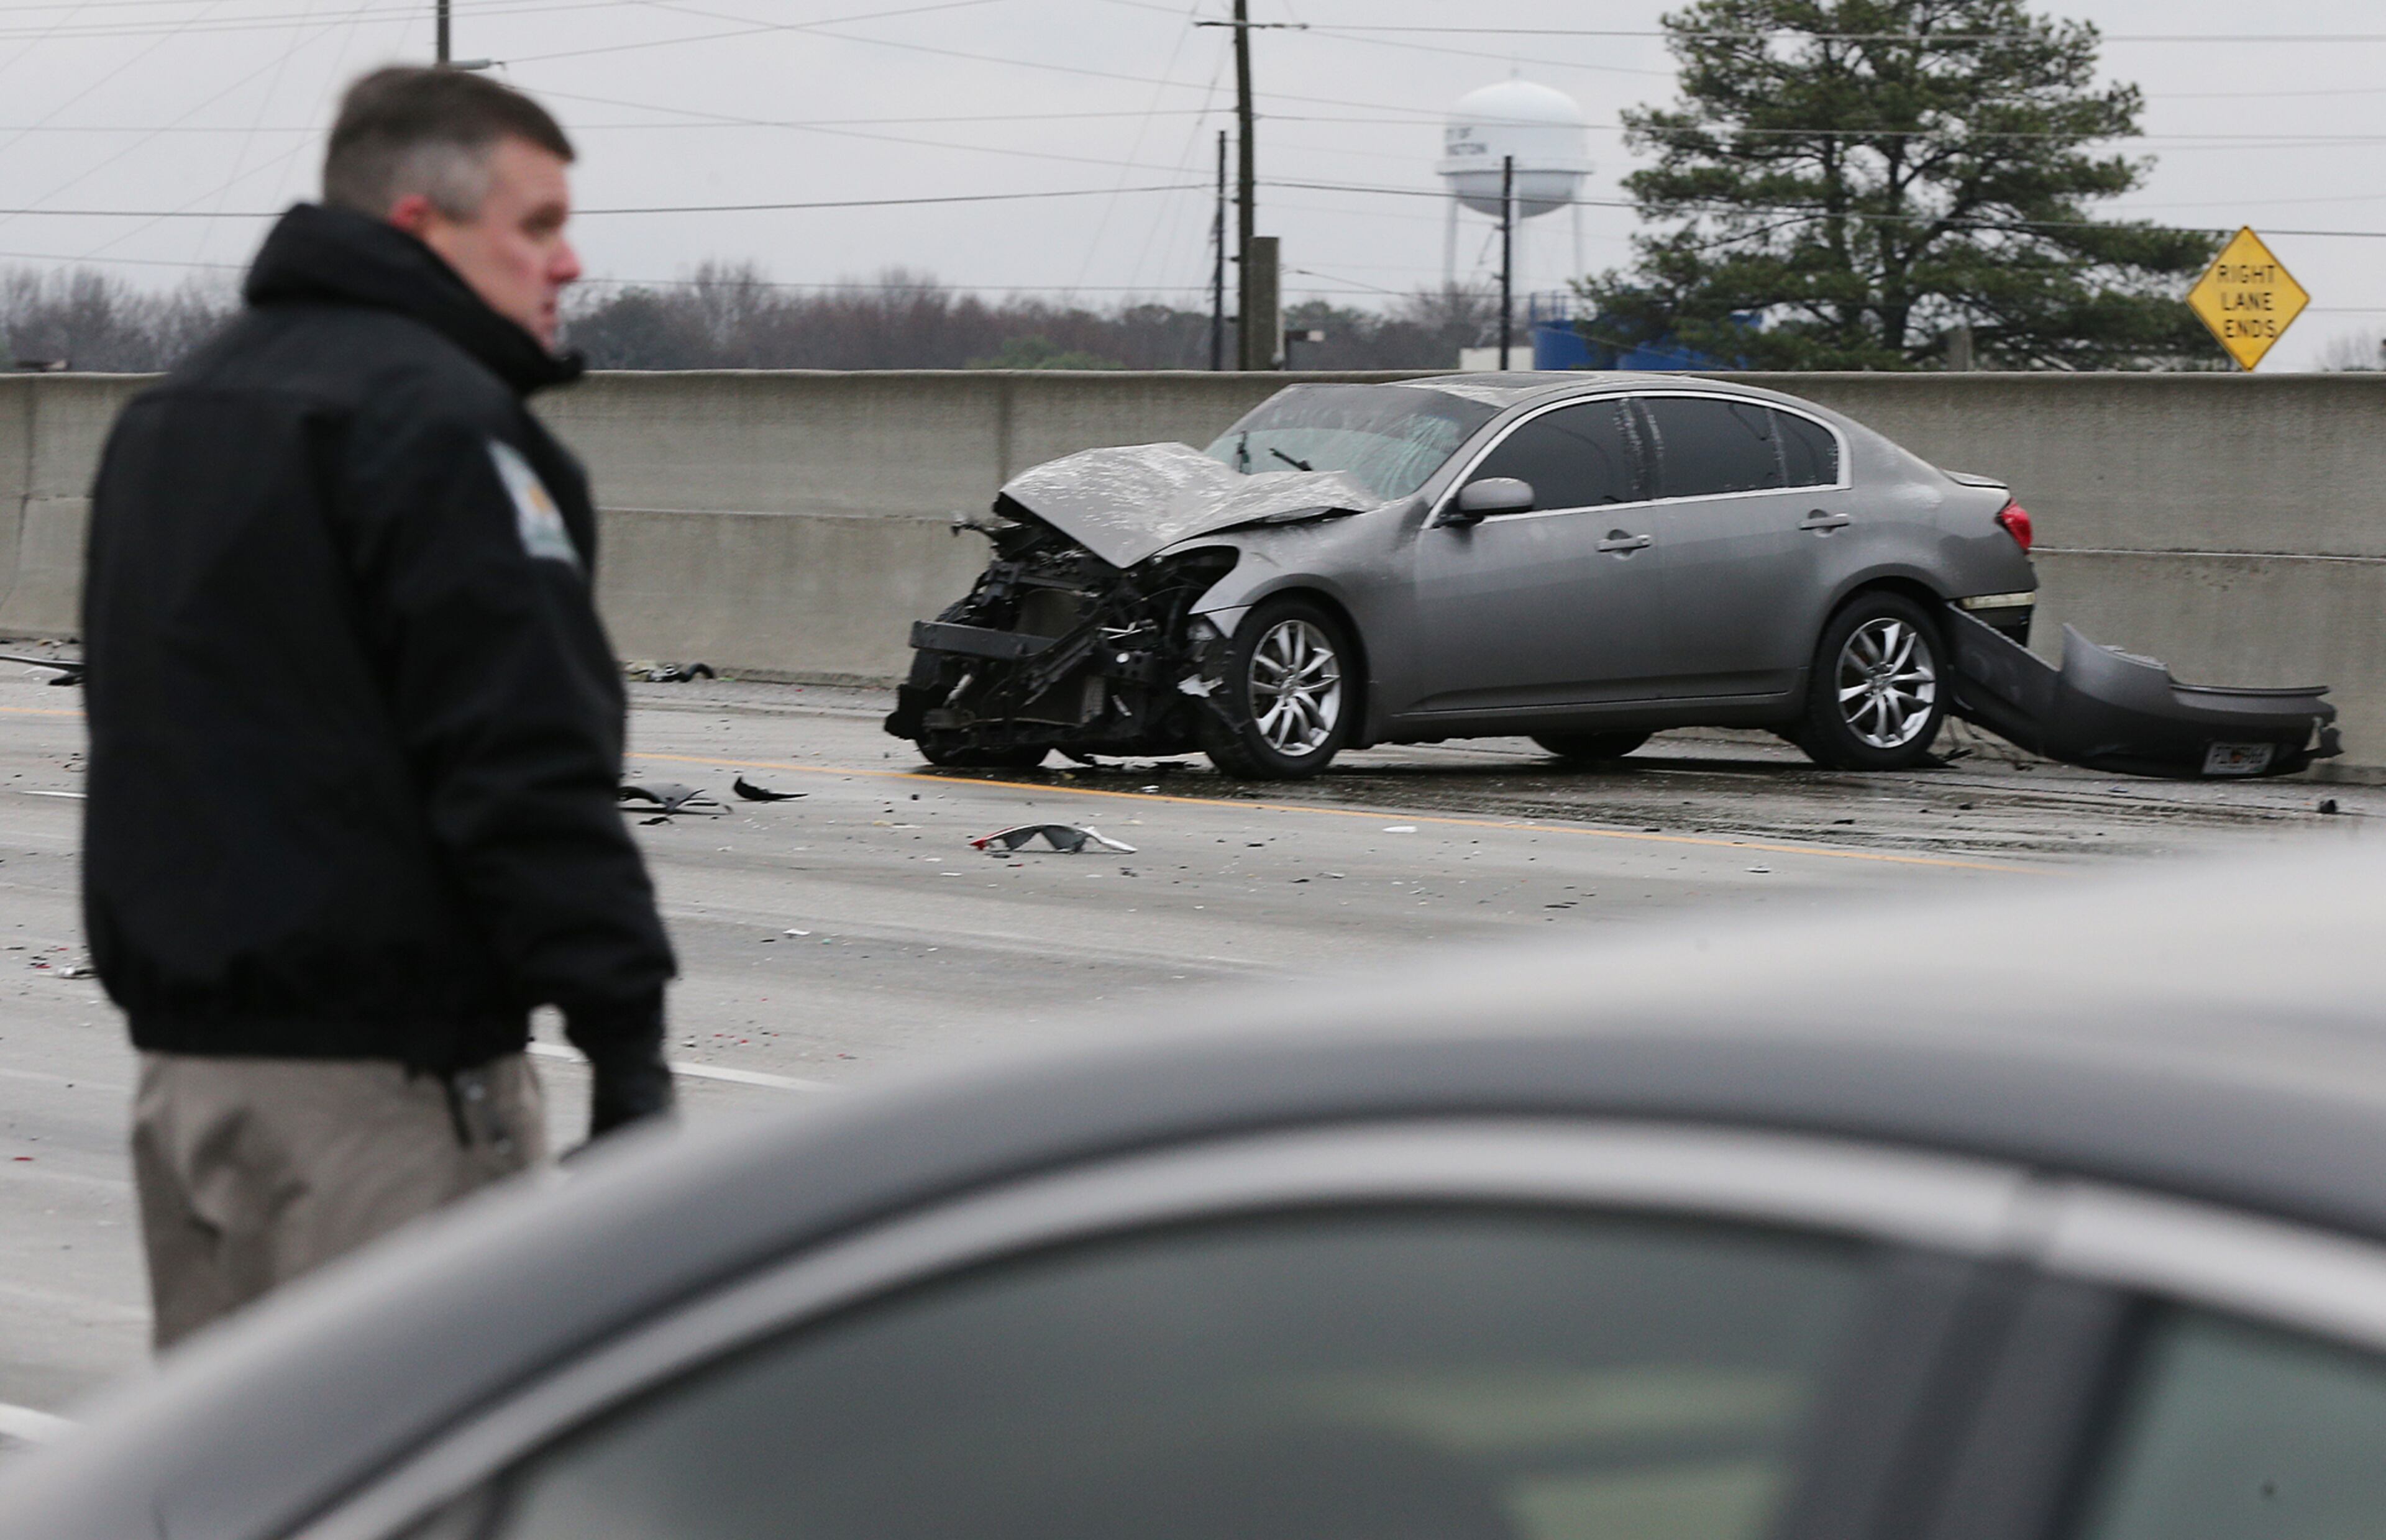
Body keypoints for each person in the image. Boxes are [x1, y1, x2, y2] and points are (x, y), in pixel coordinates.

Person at [81, 66, 677, 1350]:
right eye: (535, 224)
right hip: (385, 1105)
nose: (567, 263)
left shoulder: (168, 422)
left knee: (237, 1488)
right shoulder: (445, 432)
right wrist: (628, 1052)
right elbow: (525, 764)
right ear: (420, 227)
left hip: (192, 1091)